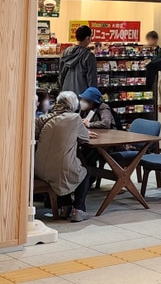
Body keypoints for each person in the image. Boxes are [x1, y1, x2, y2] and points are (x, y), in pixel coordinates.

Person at [34, 91, 94, 223]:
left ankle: (65, 207)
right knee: (84, 172)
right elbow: (85, 139)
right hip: (61, 168)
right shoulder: (74, 119)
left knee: (64, 169)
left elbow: (36, 135)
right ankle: (78, 209)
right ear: (73, 105)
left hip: (38, 169)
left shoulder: (44, 118)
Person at [57, 26, 97, 95]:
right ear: (88, 38)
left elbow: (61, 74)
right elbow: (92, 80)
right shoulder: (89, 56)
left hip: (66, 95)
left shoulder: (65, 52)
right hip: (82, 97)